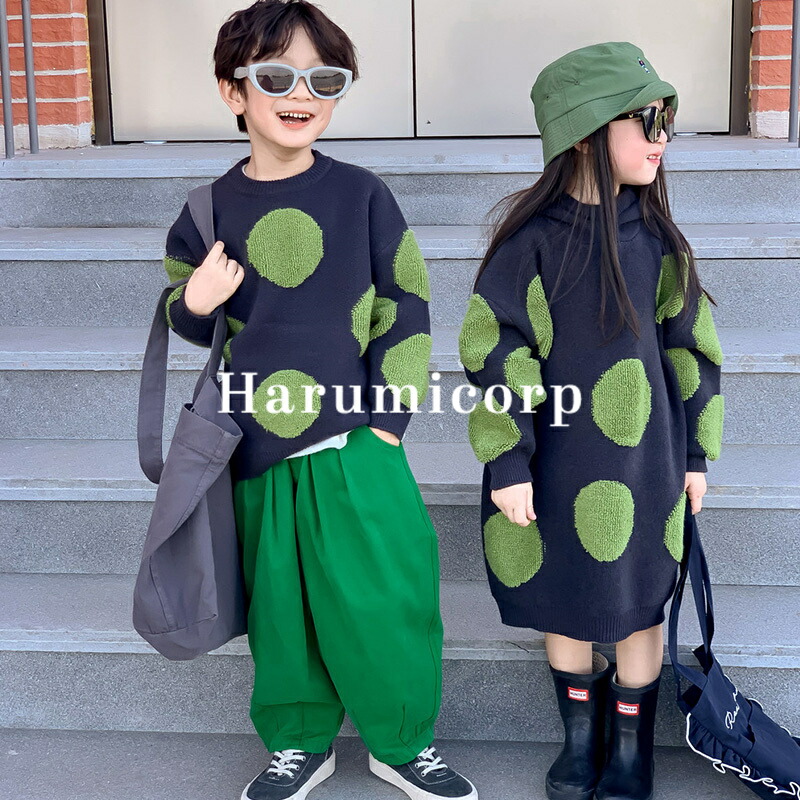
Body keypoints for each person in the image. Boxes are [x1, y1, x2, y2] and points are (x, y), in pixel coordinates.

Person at [161, 2, 477, 799]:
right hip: (255, 448)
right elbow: (185, 317)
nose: (300, 93)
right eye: (276, 77)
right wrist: (194, 302)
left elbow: (405, 303)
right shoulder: (207, 212)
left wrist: (388, 423)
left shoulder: (361, 196)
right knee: (281, 608)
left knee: (386, 595)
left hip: (353, 442)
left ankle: (402, 740)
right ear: (233, 92)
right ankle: (300, 741)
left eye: (323, 79)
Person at [457, 42, 724, 800]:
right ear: (583, 133)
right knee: (567, 591)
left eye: (667, 119)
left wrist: (696, 454)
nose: (662, 136)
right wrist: (508, 461)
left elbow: (693, 351)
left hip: (646, 461)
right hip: (555, 461)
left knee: (639, 599)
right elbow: (496, 351)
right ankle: (580, 737)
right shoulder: (531, 245)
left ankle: (632, 748)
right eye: (645, 119)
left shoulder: (660, 243)